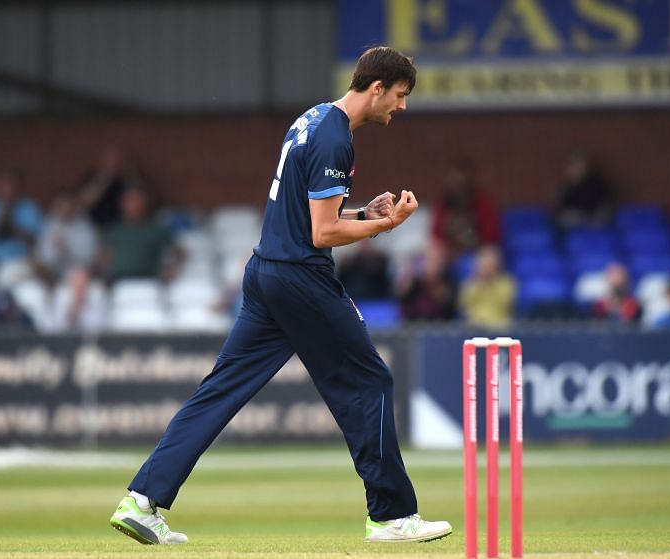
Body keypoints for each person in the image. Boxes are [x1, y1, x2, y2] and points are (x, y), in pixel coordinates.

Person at [109, 47, 451, 545]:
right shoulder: (337, 140)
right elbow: (321, 234)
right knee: (370, 380)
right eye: (399, 96)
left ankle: (141, 501)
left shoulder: (312, 118)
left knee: (220, 389)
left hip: (266, 272)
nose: (401, 107)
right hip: (301, 280)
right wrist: (385, 224)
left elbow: (310, 219)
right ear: (376, 88)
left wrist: (364, 213)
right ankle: (393, 516)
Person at [99, 186, 184, 283]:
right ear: (122, 204)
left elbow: (180, 253)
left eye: (137, 200)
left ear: (145, 202)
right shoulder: (114, 230)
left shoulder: (156, 230)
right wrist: (104, 274)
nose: (134, 205)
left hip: (149, 282)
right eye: (130, 201)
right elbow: (104, 257)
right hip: (119, 282)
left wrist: (170, 271)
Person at [431, 157, 501, 257]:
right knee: (433, 252)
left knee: (489, 254)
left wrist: (475, 245)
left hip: (478, 250)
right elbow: (436, 234)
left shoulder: (482, 203)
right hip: (449, 251)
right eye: (455, 180)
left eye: (463, 181)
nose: (459, 185)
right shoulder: (444, 203)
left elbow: (491, 237)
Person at [34, 192, 98, 284]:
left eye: (68, 205)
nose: (65, 209)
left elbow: (89, 258)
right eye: (61, 206)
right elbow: (43, 257)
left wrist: (67, 248)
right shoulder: (50, 225)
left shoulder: (84, 226)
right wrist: (57, 250)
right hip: (52, 277)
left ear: (74, 206)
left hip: (79, 277)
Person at [396, 241, 458, 322]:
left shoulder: (448, 282)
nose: (432, 264)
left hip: (439, 328)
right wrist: (409, 273)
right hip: (412, 328)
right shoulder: (413, 281)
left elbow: (448, 307)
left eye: (436, 259)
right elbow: (400, 295)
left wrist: (435, 283)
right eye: (429, 259)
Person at [458, 245, 516, 329]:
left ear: (497, 265)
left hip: (500, 327)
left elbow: (506, 304)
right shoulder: (470, 284)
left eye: (489, 264)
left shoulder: (506, 283)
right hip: (474, 327)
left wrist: (490, 284)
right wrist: (480, 285)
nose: (486, 267)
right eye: (483, 264)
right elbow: (463, 305)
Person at [554, 150, 614, 230]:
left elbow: (604, 206)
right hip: (574, 221)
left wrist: (586, 217)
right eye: (573, 165)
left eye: (579, 165)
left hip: (594, 220)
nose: (575, 169)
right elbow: (561, 208)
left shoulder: (598, 184)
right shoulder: (568, 187)